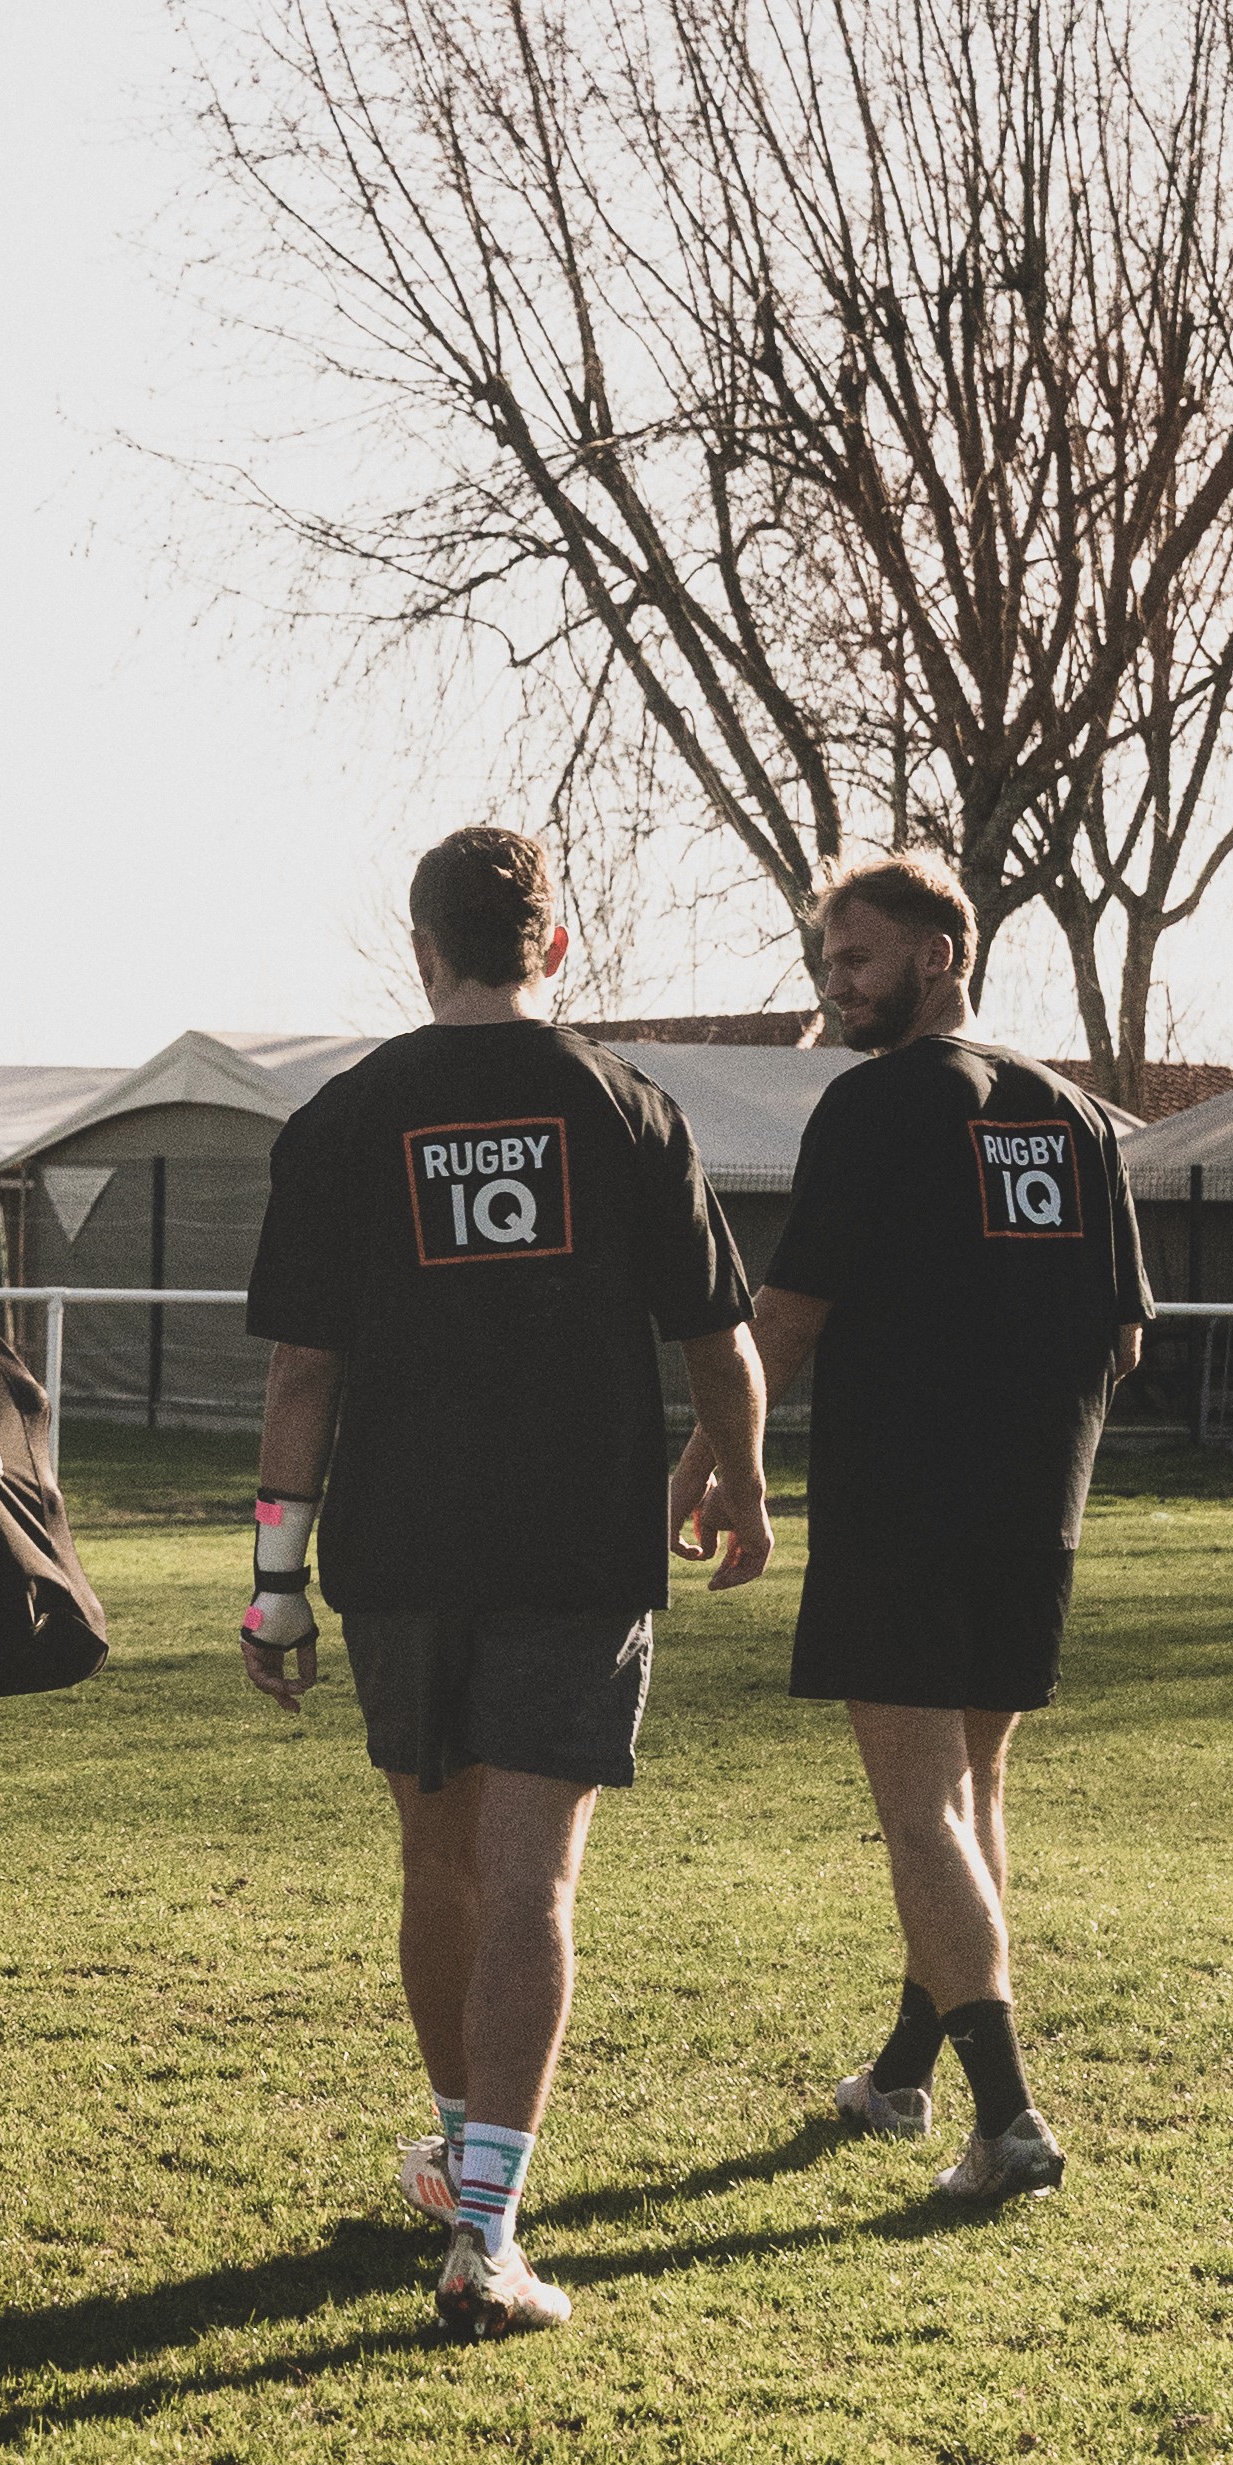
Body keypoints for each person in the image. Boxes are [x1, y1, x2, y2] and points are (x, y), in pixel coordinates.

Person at [242, 823, 772, 2340]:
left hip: (398, 1548)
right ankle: (485, 2226)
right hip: (575, 1544)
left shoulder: (345, 1117)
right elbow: (721, 1344)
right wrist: (737, 1479)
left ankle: (467, 2154)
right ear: (554, 945)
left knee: (441, 1861)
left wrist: (274, 1584)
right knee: (532, 1876)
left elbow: (298, 1378)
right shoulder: (626, 1107)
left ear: (422, 952)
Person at [669, 850, 1149, 2203]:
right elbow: (1119, 1341)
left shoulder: (875, 1106)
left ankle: (1008, 2122)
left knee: (921, 1806)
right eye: (829, 963)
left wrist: (706, 1460)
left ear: (939, 955)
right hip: (1033, 1510)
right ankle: (900, 2073)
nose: (837, 987)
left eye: (858, 961)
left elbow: (788, 1319)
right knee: (972, 1792)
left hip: (902, 1505)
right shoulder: (1074, 1116)